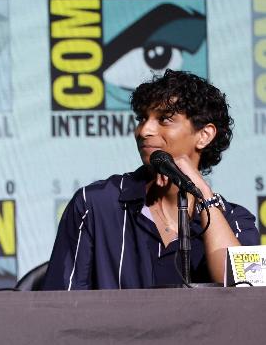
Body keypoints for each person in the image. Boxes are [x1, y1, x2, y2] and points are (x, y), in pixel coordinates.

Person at [44, 69, 258, 290]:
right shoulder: (94, 204)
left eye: (165, 119)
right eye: (142, 118)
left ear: (204, 136)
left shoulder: (237, 220)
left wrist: (204, 195)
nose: (144, 130)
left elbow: (244, 293)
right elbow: (60, 308)